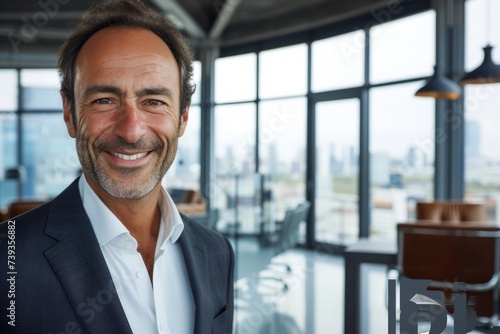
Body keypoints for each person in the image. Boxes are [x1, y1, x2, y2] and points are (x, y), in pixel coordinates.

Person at [0, 0, 234, 333]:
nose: (131, 129)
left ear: (182, 116)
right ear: (70, 113)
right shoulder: (7, 260)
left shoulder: (217, 252)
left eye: (153, 101)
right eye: (104, 100)